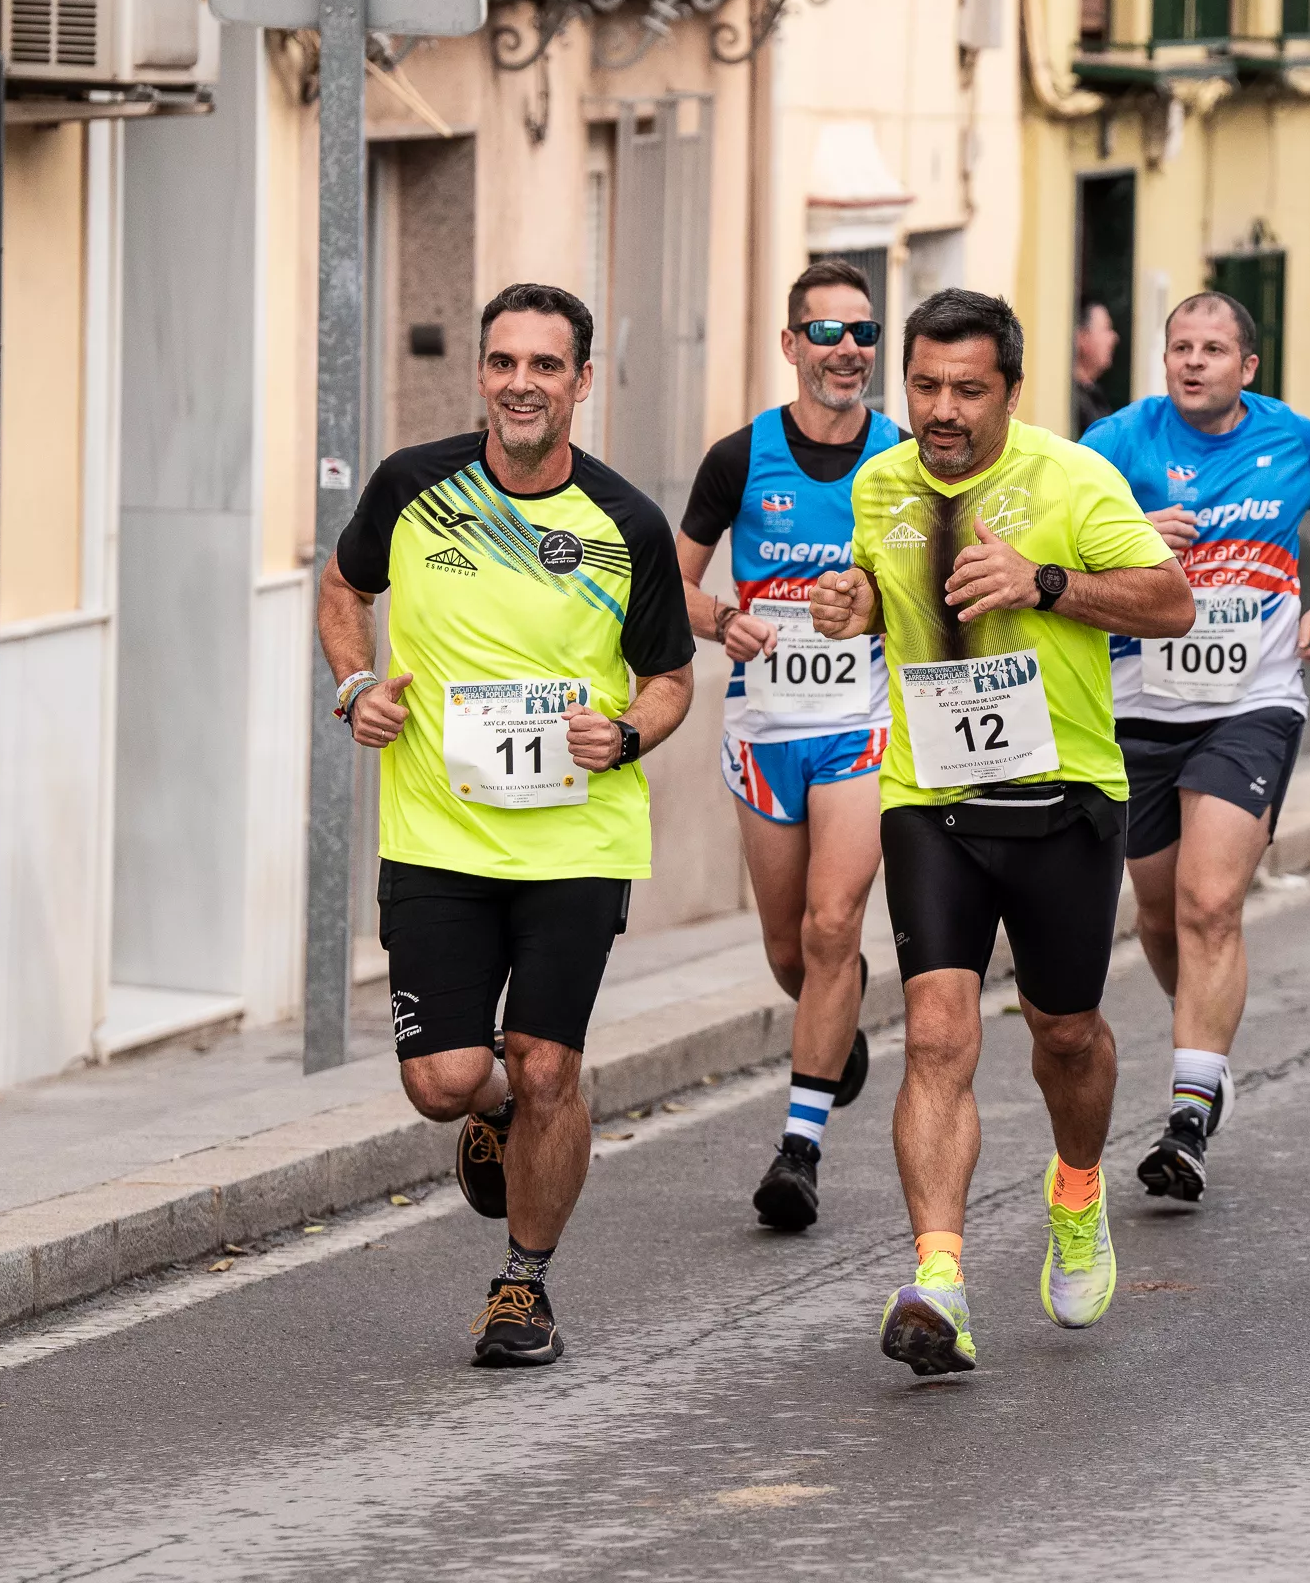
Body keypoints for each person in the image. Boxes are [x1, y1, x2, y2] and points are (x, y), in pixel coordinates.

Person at [806, 289, 1195, 1377]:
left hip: (1063, 793)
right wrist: (855, 607)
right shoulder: (880, 481)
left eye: (967, 389)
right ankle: (939, 1278)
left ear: (1012, 391)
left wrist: (1045, 581)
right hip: (929, 795)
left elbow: (1171, 603)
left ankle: (1077, 1186)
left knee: (1064, 1032)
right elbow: (890, 595)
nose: (941, 408)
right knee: (936, 1033)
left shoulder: (1072, 478)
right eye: (924, 386)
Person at [318, 283, 698, 1367]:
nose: (520, 383)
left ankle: (522, 1284)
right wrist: (355, 688)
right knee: (443, 1080)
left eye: (544, 365)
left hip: (575, 838)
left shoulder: (626, 522)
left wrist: (625, 734)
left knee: (547, 1068)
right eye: (502, 362)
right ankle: (496, 1112)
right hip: (437, 831)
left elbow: (670, 676)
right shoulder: (411, 485)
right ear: (481, 374)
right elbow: (342, 591)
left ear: (582, 381)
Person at [1081, 291, 1310, 1203]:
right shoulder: (1116, 445)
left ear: (1247, 367)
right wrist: (1125, 544)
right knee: (1163, 917)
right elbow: (1041, 537)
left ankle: (1189, 1113)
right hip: (1136, 708)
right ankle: (1201, 1040)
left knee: (1212, 902)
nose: (1193, 362)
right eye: (1179, 348)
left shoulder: (1290, 438)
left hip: (1253, 703)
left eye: (1213, 349)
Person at [676, 259, 906, 1233]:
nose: (847, 349)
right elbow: (670, 586)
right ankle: (832, 1026)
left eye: (862, 333)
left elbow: (947, 584)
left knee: (831, 926)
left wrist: (882, 604)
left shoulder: (904, 457)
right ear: (790, 345)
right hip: (764, 726)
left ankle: (798, 1147)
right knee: (787, 946)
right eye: (827, 332)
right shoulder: (739, 459)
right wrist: (722, 617)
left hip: (862, 723)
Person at [1069, 300, 1119, 437]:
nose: (1114, 337)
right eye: (1106, 329)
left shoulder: (1094, 395)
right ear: (1082, 337)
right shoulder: (1071, 401)